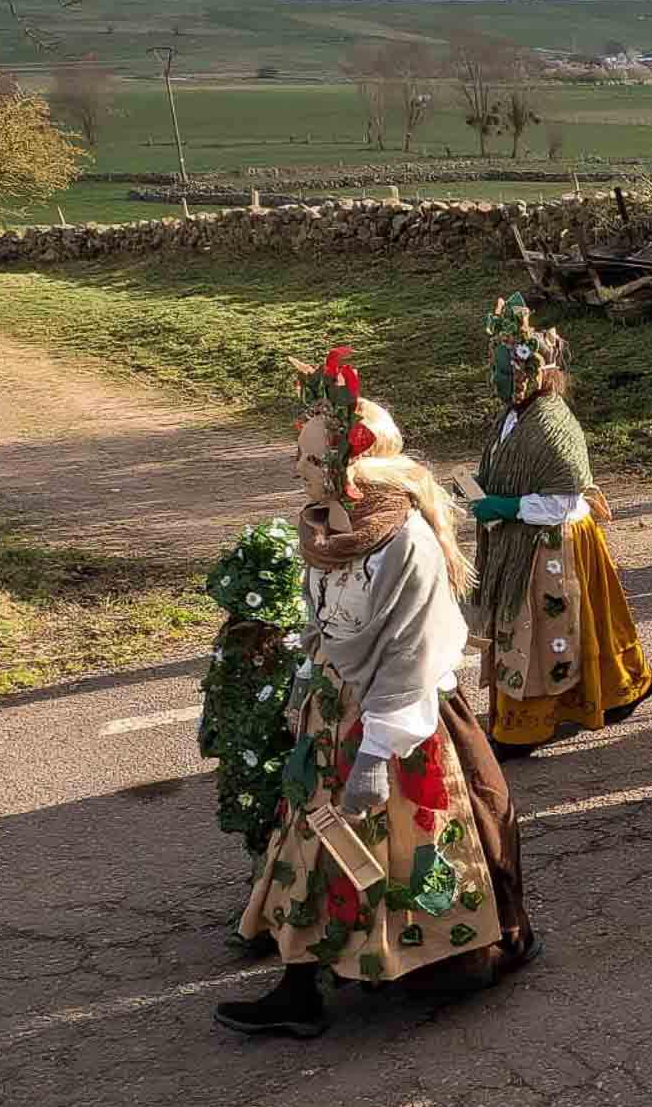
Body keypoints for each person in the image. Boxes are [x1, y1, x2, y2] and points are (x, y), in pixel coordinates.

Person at [220, 353, 534, 1038]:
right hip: (333, 710)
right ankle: (299, 986)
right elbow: (324, 614)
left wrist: (376, 750)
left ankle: (436, 959)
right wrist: (306, 673)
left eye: (307, 457)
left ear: (348, 463)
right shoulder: (325, 529)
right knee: (311, 835)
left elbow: (412, 653)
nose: (295, 469)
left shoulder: (405, 541)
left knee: (413, 845)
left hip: (403, 718)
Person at [468, 296, 652, 759]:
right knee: (570, 631)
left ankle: (527, 725)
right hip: (524, 539)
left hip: (552, 545)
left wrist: (507, 506)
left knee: (540, 632)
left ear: (528, 371)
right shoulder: (511, 417)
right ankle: (612, 694)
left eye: (501, 370)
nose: (494, 379)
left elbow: (565, 500)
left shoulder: (552, 424)